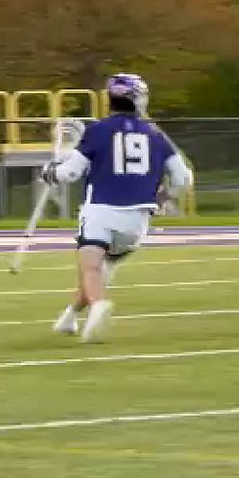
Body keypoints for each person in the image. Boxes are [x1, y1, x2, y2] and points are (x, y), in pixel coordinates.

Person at [44, 73, 193, 343]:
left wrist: (50, 173)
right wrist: (162, 198)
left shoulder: (98, 130)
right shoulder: (156, 134)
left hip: (101, 210)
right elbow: (184, 179)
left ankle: (98, 305)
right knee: (101, 270)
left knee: (90, 268)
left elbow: (69, 174)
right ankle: (69, 317)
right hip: (137, 221)